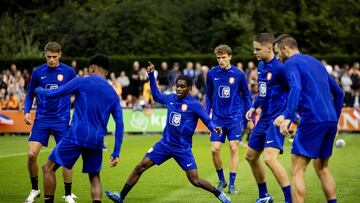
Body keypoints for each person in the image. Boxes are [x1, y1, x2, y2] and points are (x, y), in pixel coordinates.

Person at [105, 62, 232, 203]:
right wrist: (151, 75)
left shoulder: (194, 104)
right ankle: (120, 196)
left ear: (189, 88)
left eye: (182, 86)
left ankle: (218, 194)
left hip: (182, 148)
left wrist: (214, 127)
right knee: (140, 166)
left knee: (195, 180)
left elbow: (207, 119)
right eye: (177, 86)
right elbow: (156, 96)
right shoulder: (171, 98)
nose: (179, 89)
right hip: (164, 144)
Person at [34, 54, 124, 203]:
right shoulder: (113, 94)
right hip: (96, 140)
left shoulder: (83, 81)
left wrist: (38, 90)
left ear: (92, 68)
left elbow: (55, 93)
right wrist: (116, 151)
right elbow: (120, 125)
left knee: (47, 168)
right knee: (95, 178)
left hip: (76, 135)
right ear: (107, 72)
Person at [273, 34, 344, 203]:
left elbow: (295, 88)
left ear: (285, 49)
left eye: (277, 53)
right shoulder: (316, 62)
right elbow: (339, 93)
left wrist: (288, 117)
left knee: (297, 169)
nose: (277, 57)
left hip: (312, 119)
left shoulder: (290, 63)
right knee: (322, 167)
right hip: (330, 120)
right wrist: (335, 119)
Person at [23, 42, 77, 203]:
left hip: (62, 120)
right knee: (31, 154)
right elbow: (29, 94)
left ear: (60, 54)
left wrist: (77, 114)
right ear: (44, 54)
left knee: (65, 156)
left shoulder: (69, 72)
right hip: (42, 119)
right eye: (48, 57)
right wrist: (26, 111)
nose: (51, 60)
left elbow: (79, 93)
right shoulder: (38, 72)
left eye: (54, 57)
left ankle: (68, 194)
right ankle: (35, 189)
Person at [245, 33, 292, 203]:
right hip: (264, 118)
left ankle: (290, 199)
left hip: (276, 119)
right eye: (254, 48)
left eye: (258, 49)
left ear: (269, 48)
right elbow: (263, 90)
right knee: (250, 156)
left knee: (269, 158)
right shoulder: (261, 65)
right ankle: (264, 196)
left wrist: (286, 115)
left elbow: (293, 91)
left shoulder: (280, 68)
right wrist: (254, 106)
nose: (255, 52)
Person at [206, 44, 252, 194]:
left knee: (233, 148)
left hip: (234, 118)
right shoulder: (212, 74)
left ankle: (232, 184)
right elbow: (208, 96)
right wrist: (207, 117)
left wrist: (249, 115)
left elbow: (246, 95)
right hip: (218, 119)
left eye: (224, 57)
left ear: (230, 57)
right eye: (218, 58)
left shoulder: (238, 74)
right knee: (215, 150)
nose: (221, 60)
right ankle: (222, 180)